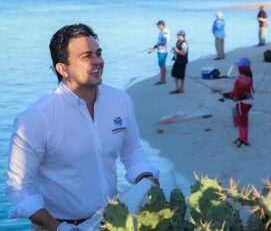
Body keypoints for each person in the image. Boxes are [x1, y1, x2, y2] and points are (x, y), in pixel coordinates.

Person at [5, 24, 159, 231]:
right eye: (87, 56)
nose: (98, 61)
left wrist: (144, 176)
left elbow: (132, 153)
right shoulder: (35, 119)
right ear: (62, 68)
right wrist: (59, 227)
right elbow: (18, 188)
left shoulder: (120, 101)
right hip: (56, 226)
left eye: (98, 53)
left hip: (113, 221)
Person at [223, 57, 254, 147]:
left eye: (239, 66)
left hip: (243, 103)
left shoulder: (243, 78)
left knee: (242, 121)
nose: (238, 68)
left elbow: (237, 93)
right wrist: (229, 95)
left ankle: (244, 141)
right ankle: (241, 138)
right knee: (239, 120)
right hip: (244, 101)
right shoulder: (246, 74)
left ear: (243, 67)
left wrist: (227, 95)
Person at [149, 20, 169, 85]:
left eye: (157, 25)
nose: (157, 26)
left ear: (161, 25)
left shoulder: (165, 31)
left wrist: (156, 45)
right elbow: (160, 41)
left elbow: (164, 42)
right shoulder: (161, 32)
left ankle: (163, 80)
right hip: (160, 50)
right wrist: (154, 48)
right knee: (161, 64)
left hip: (163, 51)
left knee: (162, 64)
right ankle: (163, 79)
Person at [170, 30, 188, 94]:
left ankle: (182, 88)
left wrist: (177, 50)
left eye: (178, 35)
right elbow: (177, 50)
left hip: (182, 61)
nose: (177, 36)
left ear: (182, 36)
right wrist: (174, 50)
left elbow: (184, 54)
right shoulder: (178, 42)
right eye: (177, 35)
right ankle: (177, 87)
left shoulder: (184, 43)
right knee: (174, 73)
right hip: (177, 60)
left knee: (181, 75)